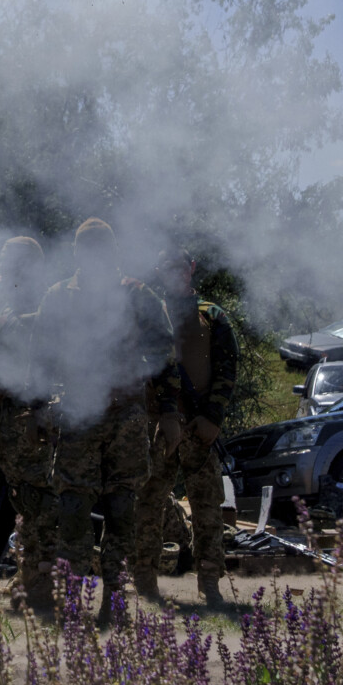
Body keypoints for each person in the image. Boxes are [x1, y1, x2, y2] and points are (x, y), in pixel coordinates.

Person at [41, 221, 164, 610]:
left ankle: (115, 599)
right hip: (78, 414)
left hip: (125, 416)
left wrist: (144, 383)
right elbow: (40, 356)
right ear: (76, 252)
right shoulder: (59, 296)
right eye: (86, 248)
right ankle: (73, 600)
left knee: (122, 509)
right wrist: (38, 409)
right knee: (73, 509)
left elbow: (163, 350)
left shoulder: (137, 294)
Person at [133, 251, 236, 607]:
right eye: (168, 269)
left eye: (181, 268)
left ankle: (210, 583)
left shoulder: (212, 314)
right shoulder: (148, 314)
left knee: (208, 507)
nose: (175, 274)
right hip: (157, 427)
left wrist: (213, 418)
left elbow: (227, 370)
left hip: (197, 427)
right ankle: (144, 581)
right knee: (147, 504)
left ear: (191, 270)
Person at [0, 235, 63, 615]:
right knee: (23, 499)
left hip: (35, 413)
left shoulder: (46, 304)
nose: (2, 266)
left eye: (9, 260)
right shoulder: (4, 302)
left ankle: (42, 583)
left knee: (40, 500)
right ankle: (28, 573)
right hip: (9, 413)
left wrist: (41, 411)